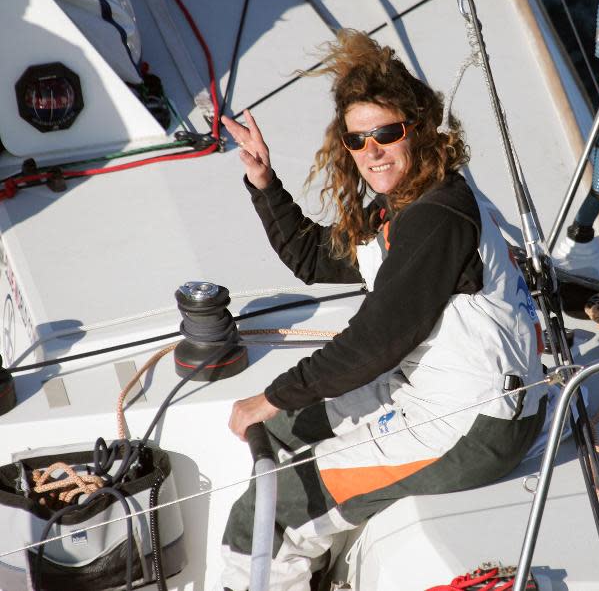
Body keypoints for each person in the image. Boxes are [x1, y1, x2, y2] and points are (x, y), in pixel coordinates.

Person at [219, 29, 546, 591]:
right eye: (356, 140)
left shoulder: (435, 218)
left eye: (386, 134)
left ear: (417, 130)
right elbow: (311, 256)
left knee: (268, 517)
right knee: (275, 435)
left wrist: (268, 395)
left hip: (473, 423)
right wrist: (263, 181)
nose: (371, 151)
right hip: (427, 390)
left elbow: (374, 344)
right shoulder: (403, 206)